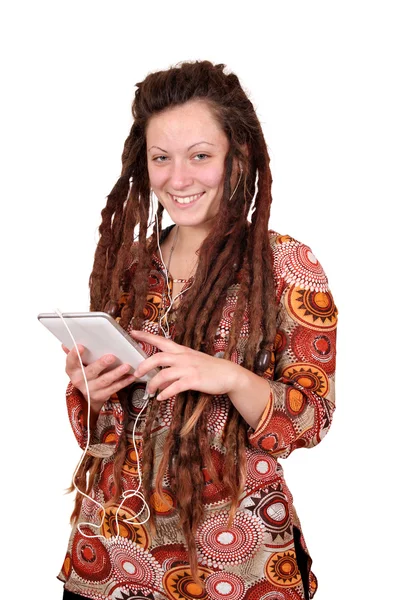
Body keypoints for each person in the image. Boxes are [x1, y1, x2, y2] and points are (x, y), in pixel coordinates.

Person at [59, 60, 338, 600]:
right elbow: (105, 433)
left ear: (239, 157)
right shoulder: (132, 267)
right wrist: (90, 389)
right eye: (161, 158)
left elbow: (312, 419)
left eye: (201, 156)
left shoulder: (287, 267)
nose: (178, 178)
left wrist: (229, 377)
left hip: (235, 565)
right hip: (113, 556)